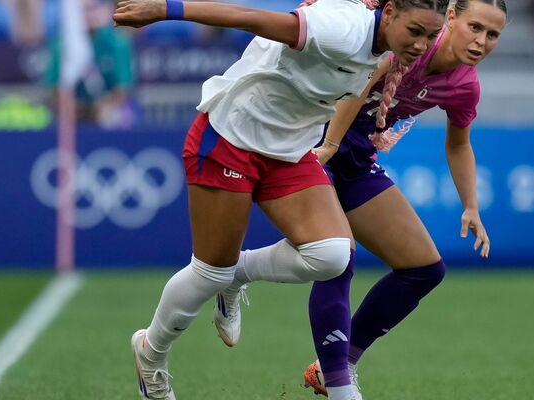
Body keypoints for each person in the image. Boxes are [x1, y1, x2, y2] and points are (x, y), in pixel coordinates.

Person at [112, 0, 448, 399]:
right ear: (389, 13)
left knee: (332, 255)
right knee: (209, 271)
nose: (422, 43)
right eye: (416, 32)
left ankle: (238, 273)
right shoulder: (340, 26)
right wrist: (167, 9)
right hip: (230, 139)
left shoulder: (383, 51)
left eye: (431, 35)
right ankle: (151, 354)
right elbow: (251, 18)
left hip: (289, 151)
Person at [209, 0, 506, 395]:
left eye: (492, 35)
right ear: (451, 17)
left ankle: (331, 354)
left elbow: (458, 144)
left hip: (356, 155)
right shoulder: (411, 41)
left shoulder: (465, 84)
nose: (481, 41)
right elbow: (360, 81)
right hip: (314, 140)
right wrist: (329, 143)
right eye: (475, 27)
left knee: (424, 268)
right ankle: (340, 385)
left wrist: (471, 204)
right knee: (339, 256)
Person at [46, 0, 137, 129]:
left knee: (112, 118)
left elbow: (123, 88)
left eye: (93, 9)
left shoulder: (118, 43)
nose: (88, 15)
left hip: (108, 106)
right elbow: (54, 87)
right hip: (73, 107)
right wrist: (71, 106)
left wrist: (104, 106)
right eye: (83, 10)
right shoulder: (61, 45)